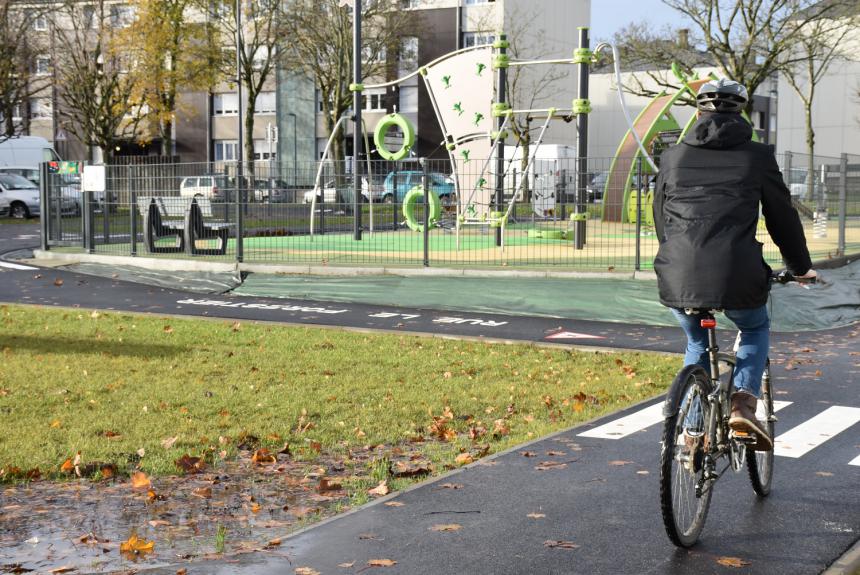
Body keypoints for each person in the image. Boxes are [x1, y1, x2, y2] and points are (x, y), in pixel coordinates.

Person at [652, 78, 816, 450]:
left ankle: (694, 434)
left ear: (698, 112)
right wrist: (800, 266)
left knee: (696, 341)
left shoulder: (673, 156)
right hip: (736, 273)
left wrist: (675, 255)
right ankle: (742, 404)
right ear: (741, 112)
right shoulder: (757, 156)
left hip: (677, 272)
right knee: (755, 328)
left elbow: (662, 219)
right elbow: (782, 218)